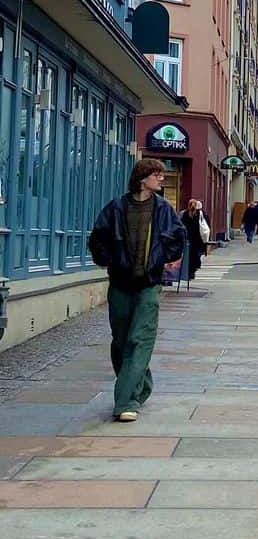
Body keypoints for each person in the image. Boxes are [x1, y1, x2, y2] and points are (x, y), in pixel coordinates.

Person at [88, 158, 184, 422]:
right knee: (121, 342)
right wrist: (109, 259)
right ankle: (142, 386)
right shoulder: (116, 207)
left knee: (139, 339)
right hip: (120, 283)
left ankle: (126, 402)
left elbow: (178, 236)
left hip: (148, 285)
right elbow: (98, 237)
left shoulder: (163, 209)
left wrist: (165, 258)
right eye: (157, 175)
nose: (162, 179)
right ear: (143, 178)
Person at [180, 199, 210, 280]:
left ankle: (190, 272)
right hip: (195, 239)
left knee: (190, 257)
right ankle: (192, 272)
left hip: (190, 238)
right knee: (194, 256)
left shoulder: (186, 214)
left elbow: (183, 225)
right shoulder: (198, 213)